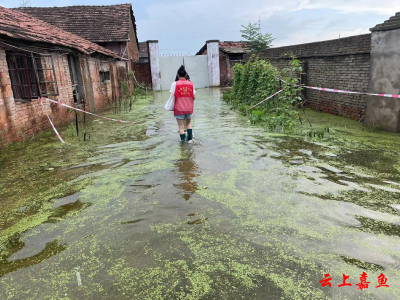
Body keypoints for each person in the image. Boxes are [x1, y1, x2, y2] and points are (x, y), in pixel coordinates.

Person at [170, 65, 196, 143]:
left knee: (181, 127)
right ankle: (190, 140)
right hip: (189, 107)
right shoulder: (191, 84)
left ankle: (184, 142)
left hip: (178, 108)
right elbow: (194, 97)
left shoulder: (174, 84)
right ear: (185, 75)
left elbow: (171, 96)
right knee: (188, 124)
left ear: (178, 76)